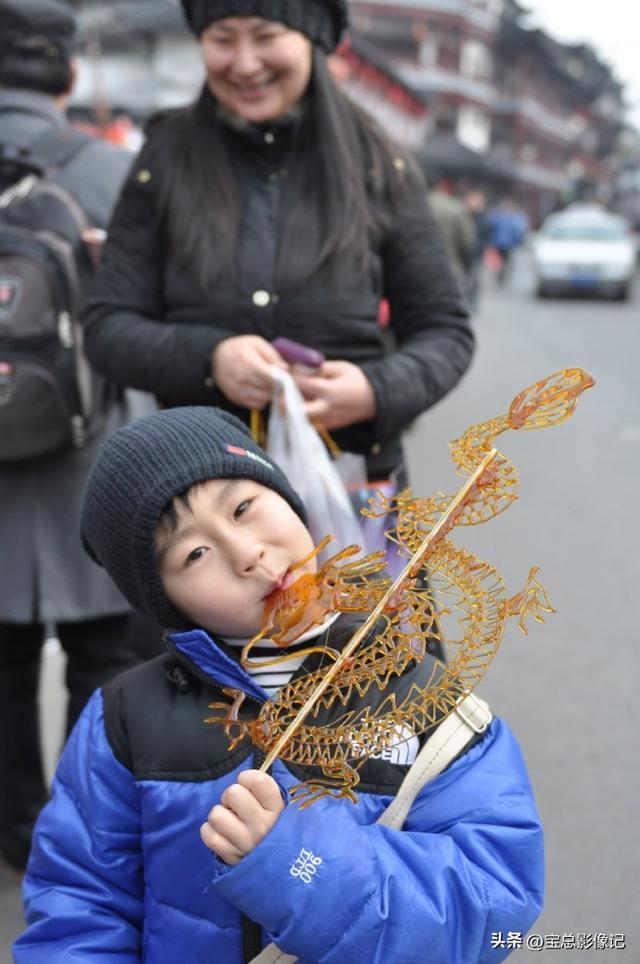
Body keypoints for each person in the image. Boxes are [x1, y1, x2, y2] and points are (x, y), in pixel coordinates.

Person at [15, 406, 544, 963]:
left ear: (288, 498)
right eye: (194, 554)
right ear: (164, 602)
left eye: (243, 508)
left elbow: (493, 910)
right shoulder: (123, 720)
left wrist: (294, 860)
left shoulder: (425, 700)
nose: (247, 555)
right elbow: (78, 909)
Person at [83, 0, 474, 491]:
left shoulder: (377, 163)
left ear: (312, 37)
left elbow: (445, 332)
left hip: (354, 486)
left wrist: (376, 389)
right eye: (223, 39)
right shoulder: (165, 156)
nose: (245, 63)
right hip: (202, 497)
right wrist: (210, 359)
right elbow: (106, 326)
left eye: (266, 36)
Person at [0, 0, 156, 873]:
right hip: (91, 452)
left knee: (1, 659)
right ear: (64, 76)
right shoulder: (110, 169)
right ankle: (84, 835)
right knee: (104, 650)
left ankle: (13, 826)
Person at [428, 178, 476, 283]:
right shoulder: (457, 208)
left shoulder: (421, 204)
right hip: (450, 266)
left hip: (423, 265)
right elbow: (467, 241)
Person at [487, 198, 528, 285]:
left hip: (502, 244)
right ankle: (501, 275)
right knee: (504, 262)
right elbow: (519, 231)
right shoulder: (514, 218)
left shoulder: (499, 217)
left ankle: (501, 275)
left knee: (503, 262)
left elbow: (491, 227)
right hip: (505, 244)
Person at [464, 187, 492, 309]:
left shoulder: (484, 219)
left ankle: (472, 302)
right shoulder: (463, 215)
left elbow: (487, 237)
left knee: (474, 280)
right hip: (463, 253)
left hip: (476, 254)